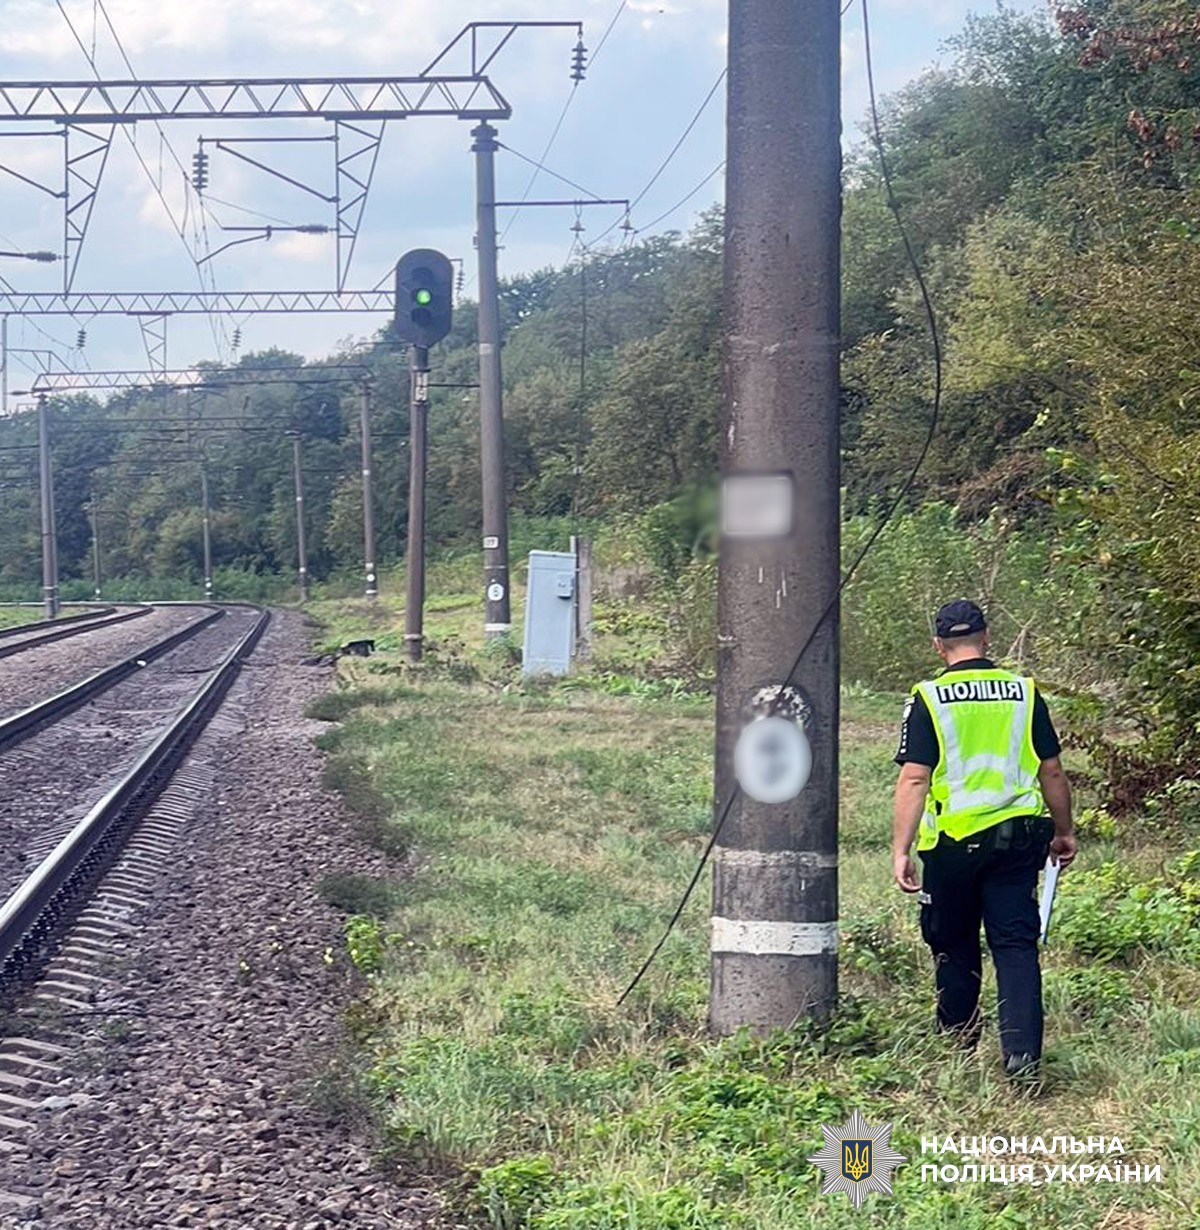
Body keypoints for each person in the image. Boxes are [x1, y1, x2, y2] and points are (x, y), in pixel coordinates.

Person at [891, 599, 1078, 1080]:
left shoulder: (928, 697)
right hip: (1017, 838)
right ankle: (1022, 1056)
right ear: (987, 637)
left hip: (952, 843)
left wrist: (901, 849)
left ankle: (957, 1044)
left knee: (953, 940)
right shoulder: (1023, 692)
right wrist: (1063, 831)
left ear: (938, 646)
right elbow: (1051, 769)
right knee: (1015, 943)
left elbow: (915, 778)